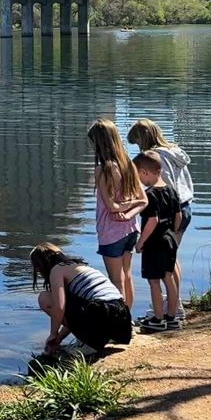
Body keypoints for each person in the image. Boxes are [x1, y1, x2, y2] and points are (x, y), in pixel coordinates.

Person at [127, 119, 194, 310]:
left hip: (170, 211)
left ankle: (173, 306)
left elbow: (163, 190)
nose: (138, 148)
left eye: (138, 143)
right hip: (185, 207)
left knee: (167, 262)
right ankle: (174, 302)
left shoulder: (157, 158)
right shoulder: (174, 152)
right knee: (172, 258)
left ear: (143, 139)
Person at [31, 242, 133, 354]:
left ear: (42, 264)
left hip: (103, 314)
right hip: (122, 319)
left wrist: (53, 334)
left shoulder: (57, 270)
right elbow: (72, 314)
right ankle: (100, 338)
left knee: (44, 298)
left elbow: (59, 308)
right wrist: (60, 338)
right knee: (80, 305)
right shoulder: (80, 266)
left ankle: (89, 343)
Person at [87, 119, 147, 308]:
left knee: (115, 281)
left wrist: (124, 208)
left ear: (99, 143)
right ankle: (128, 319)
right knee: (127, 277)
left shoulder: (103, 169)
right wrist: (130, 212)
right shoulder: (128, 163)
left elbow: (111, 206)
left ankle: (119, 324)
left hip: (111, 232)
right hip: (130, 229)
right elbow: (143, 200)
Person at [133, 150, 183, 331]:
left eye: (138, 176)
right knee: (168, 278)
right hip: (170, 240)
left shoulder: (150, 195)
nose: (139, 181)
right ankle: (172, 317)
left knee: (154, 281)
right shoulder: (171, 190)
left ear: (144, 172)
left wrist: (140, 243)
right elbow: (179, 216)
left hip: (154, 243)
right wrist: (174, 233)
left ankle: (158, 318)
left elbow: (152, 221)